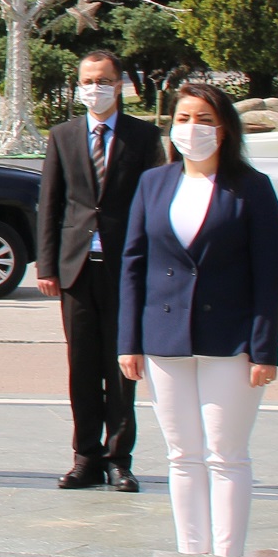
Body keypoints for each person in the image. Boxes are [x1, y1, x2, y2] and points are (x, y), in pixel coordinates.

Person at [117, 83, 278, 557]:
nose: (194, 129)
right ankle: (191, 556)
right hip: (165, 337)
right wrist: (128, 341)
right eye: (185, 119)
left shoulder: (251, 188)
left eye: (206, 119)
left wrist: (264, 350)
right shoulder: (155, 183)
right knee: (182, 455)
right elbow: (133, 264)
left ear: (226, 128)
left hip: (230, 341)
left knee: (226, 456)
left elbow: (268, 275)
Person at [36, 51, 169, 490]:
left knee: (121, 367)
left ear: (120, 84)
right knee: (82, 367)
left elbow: (156, 206)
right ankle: (84, 456)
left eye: (104, 80)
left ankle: (118, 458)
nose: (95, 88)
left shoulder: (144, 138)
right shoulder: (63, 135)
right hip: (76, 269)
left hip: (125, 269)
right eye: (88, 80)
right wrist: (47, 263)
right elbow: (51, 204)